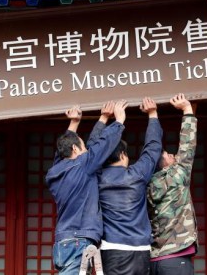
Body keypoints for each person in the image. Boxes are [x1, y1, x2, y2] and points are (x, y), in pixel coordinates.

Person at [45, 100, 127, 275]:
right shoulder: (83, 165)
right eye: (83, 148)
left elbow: (63, 150)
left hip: (63, 241)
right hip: (78, 241)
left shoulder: (54, 172)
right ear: (75, 149)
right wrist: (118, 122)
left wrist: (78, 122)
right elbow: (102, 146)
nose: (86, 151)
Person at [97, 97, 162, 275]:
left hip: (111, 247)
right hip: (139, 248)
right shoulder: (136, 174)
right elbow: (152, 149)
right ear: (123, 155)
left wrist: (104, 119)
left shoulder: (97, 177)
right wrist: (153, 114)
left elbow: (93, 148)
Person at [147, 93, 197, 275]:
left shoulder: (146, 184)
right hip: (176, 255)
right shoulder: (177, 174)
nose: (173, 156)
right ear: (165, 164)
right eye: (169, 155)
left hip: (153, 259)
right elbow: (187, 145)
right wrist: (187, 109)